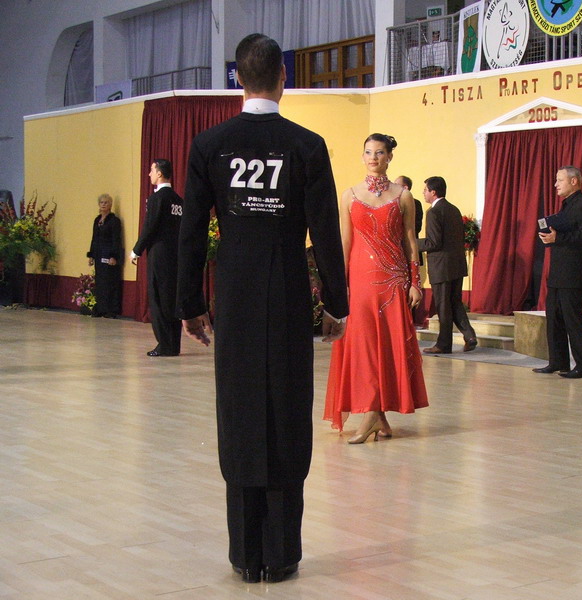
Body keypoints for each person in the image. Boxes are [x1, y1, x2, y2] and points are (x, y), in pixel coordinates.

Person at [176, 34, 349, 585]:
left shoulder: (210, 144)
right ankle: (282, 555)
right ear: (282, 78)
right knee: (286, 410)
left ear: (238, 78)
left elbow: (190, 232)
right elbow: (325, 231)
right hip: (289, 295)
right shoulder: (306, 145)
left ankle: (245, 555)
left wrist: (190, 304)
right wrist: (336, 302)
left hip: (234, 297)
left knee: (240, 411)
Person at [324, 134, 428, 443]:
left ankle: (373, 414)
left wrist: (415, 282)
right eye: (368, 152)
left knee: (386, 346)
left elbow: (410, 240)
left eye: (380, 152)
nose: (373, 157)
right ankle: (375, 414)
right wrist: (338, 285)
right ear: (362, 156)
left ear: (389, 157)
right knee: (364, 346)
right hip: (359, 281)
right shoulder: (349, 195)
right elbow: (345, 242)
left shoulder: (403, 196)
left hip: (393, 281)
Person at [533, 166, 582, 379]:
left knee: (573, 319)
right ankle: (558, 361)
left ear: (573, 181)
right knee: (554, 318)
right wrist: (550, 235)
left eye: (559, 180)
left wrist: (557, 238)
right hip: (558, 272)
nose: (556, 185)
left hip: (573, 273)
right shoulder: (566, 206)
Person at [417, 176, 477, 354]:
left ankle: (444, 344)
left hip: (441, 266)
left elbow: (433, 242)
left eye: (425, 190)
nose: (423, 193)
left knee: (443, 306)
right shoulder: (454, 209)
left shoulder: (433, 212)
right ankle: (469, 335)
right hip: (457, 264)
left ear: (433, 192)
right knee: (455, 302)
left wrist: (412, 243)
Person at [131, 159, 183, 356]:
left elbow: (149, 227)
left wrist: (136, 250)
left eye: (152, 170)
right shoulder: (178, 200)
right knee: (171, 299)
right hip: (175, 256)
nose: (149, 174)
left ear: (160, 173)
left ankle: (164, 344)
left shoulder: (156, 199)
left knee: (158, 300)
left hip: (159, 256)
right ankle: (174, 344)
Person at [395, 175, 427, 326]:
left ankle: (410, 321)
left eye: (397, 184)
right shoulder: (391, 200)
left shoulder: (415, 203)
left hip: (408, 250)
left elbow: (415, 228)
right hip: (394, 251)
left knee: (411, 286)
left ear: (405, 187)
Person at [87, 193, 122, 318]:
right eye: (101, 202)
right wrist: (91, 255)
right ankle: (100, 308)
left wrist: (114, 256)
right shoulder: (97, 220)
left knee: (109, 282)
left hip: (108, 255)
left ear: (110, 205)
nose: (103, 204)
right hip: (98, 254)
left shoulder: (114, 221)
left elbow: (116, 239)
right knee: (100, 282)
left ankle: (110, 309)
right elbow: (94, 238)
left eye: (106, 202)